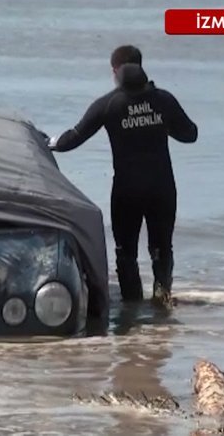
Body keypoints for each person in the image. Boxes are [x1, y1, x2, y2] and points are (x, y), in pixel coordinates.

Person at [49, 45, 198, 304]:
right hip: (162, 188)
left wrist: (45, 141)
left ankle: (132, 310)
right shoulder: (164, 100)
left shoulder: (108, 105)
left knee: (125, 252)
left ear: (115, 71)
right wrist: (159, 122)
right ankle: (162, 301)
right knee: (162, 248)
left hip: (127, 191)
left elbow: (70, 140)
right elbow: (190, 134)